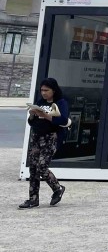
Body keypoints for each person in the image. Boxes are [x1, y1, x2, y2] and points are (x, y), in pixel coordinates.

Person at [21, 77, 69, 209]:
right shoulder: (40, 102)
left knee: (42, 166)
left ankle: (57, 188)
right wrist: (32, 114)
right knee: (33, 168)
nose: (43, 93)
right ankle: (33, 199)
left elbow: (63, 120)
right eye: (42, 90)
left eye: (46, 90)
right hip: (36, 137)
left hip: (51, 137)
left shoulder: (60, 102)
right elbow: (32, 122)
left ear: (53, 90)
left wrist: (45, 114)